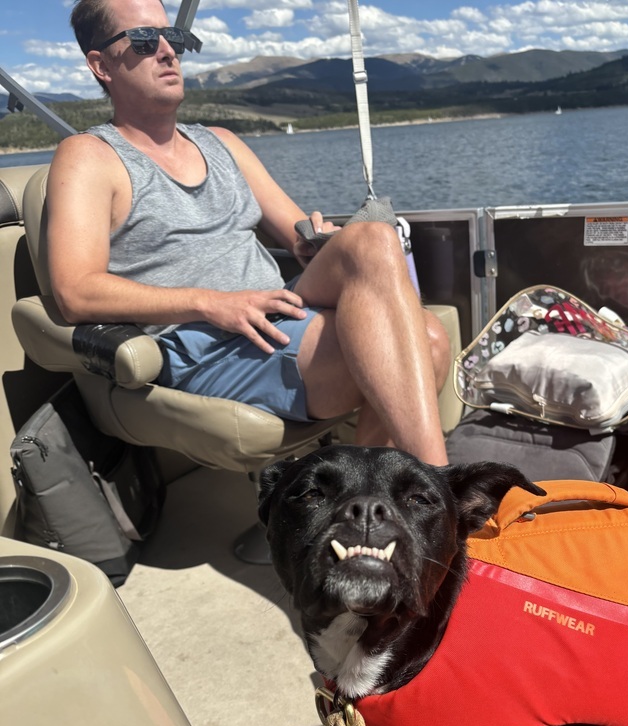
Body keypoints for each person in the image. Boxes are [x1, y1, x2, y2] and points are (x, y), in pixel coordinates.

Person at [46, 0, 451, 466]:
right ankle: (439, 490)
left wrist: (312, 241)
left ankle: (378, 500)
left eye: (172, 37)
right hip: (203, 344)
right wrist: (211, 302)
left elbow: (299, 233)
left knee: (372, 236)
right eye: (142, 40)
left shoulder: (222, 143)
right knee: (428, 339)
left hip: (274, 312)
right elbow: (75, 292)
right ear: (100, 65)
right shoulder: (88, 156)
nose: (166, 52)